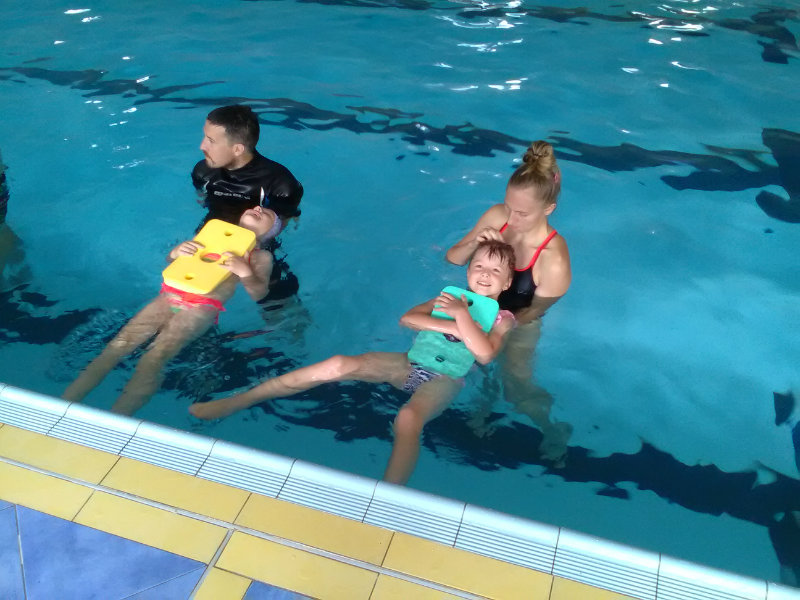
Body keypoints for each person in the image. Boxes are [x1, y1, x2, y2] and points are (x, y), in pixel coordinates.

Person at [190, 240, 518, 485]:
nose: (484, 274)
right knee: (338, 364)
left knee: (407, 419)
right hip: (407, 364)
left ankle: (388, 495)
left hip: (444, 380)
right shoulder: (448, 298)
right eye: (479, 266)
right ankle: (236, 401)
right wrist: (454, 323)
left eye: (495, 271)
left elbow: (485, 353)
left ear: (506, 283)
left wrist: (461, 318)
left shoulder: (503, 319)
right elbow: (408, 319)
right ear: (468, 271)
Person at [63, 206, 279, 415]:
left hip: (201, 306)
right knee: (117, 345)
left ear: (271, 231)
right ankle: (66, 403)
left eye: (267, 212)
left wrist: (245, 272)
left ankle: (119, 417)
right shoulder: (211, 236)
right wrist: (176, 252)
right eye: (257, 207)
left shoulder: (260, 257)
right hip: (167, 297)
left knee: (154, 358)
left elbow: (259, 293)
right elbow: (172, 263)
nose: (258, 209)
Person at [446, 140, 573, 463]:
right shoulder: (497, 216)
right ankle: (480, 414)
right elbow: (453, 258)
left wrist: (501, 326)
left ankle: (551, 429)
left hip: (519, 321)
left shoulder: (553, 257)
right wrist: (475, 242)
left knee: (516, 385)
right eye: (509, 207)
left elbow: (537, 309)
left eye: (522, 213)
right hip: (474, 308)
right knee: (460, 368)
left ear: (548, 209)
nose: (511, 219)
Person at [192, 104, 304, 229]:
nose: (202, 146)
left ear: (237, 149)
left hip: (255, 238)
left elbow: (284, 224)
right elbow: (203, 200)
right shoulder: (202, 172)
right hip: (211, 232)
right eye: (205, 136)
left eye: (211, 141)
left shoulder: (280, 186)